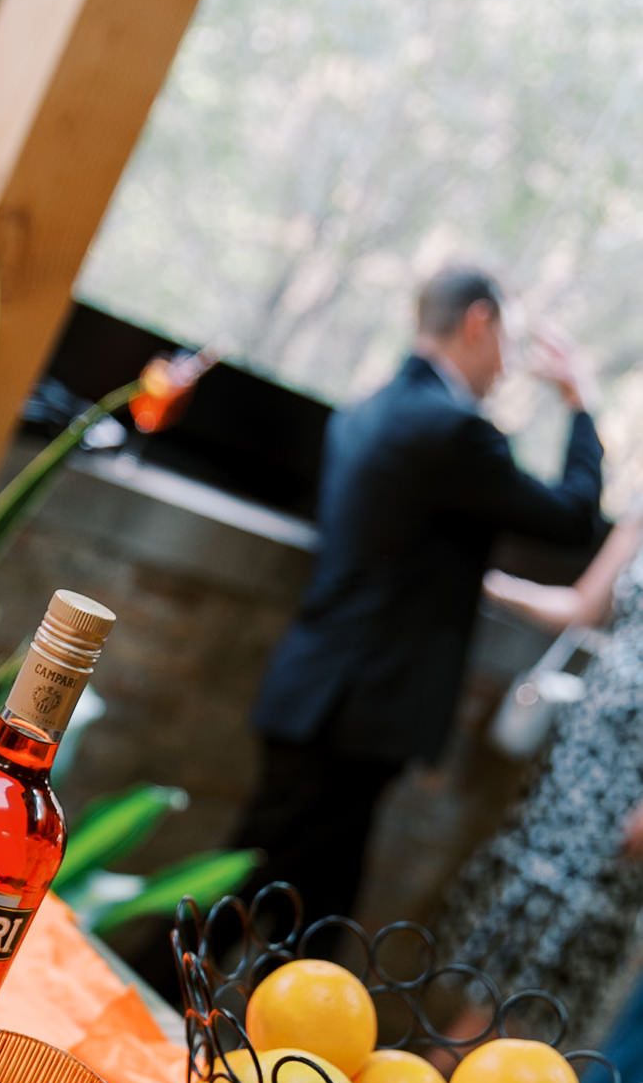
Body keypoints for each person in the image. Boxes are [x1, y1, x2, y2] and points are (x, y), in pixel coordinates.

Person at [233, 266, 604, 929]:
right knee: (253, 891)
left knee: (307, 901)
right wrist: (580, 403)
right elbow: (571, 518)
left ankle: (294, 1028)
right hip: (360, 709)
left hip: (315, 689)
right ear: (476, 323)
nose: (506, 361)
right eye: (506, 339)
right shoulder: (454, 430)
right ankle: (130, 1001)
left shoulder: (366, 409)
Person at [436, 500, 643, 1039]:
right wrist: (488, 582)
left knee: (576, 923)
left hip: (636, 779)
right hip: (589, 747)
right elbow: (582, 604)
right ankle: (453, 1073)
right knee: (527, 904)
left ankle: (469, 1080)